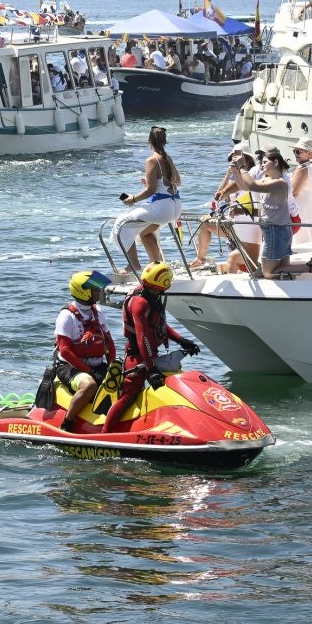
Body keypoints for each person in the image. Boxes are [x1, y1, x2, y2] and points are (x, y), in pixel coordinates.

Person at [101, 263, 201, 433]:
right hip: (138, 358)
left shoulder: (151, 295)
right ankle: (105, 434)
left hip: (150, 356)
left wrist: (182, 341)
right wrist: (151, 368)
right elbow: (143, 337)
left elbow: (158, 325)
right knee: (127, 397)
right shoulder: (140, 303)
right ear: (164, 282)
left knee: (174, 386)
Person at [53, 270, 117, 433]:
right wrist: (89, 371)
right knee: (89, 385)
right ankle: (67, 424)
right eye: (95, 289)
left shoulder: (98, 311)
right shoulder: (66, 316)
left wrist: (112, 367)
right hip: (69, 367)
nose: (99, 292)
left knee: (125, 381)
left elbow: (109, 343)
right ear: (84, 291)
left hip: (96, 366)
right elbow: (65, 351)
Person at [112, 127, 183, 273]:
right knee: (145, 233)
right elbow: (177, 182)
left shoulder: (152, 160)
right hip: (175, 207)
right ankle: (158, 268)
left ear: (149, 140)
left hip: (162, 209)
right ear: (165, 141)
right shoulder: (168, 158)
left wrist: (133, 199)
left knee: (121, 224)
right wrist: (153, 183)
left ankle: (134, 265)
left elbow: (150, 190)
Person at [234, 148, 294, 279]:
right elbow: (244, 187)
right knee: (282, 269)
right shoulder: (266, 180)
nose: (261, 164)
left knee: (268, 273)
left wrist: (242, 167)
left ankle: (309, 267)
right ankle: (295, 282)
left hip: (276, 231)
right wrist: (235, 168)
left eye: (265, 162)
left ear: (276, 162)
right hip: (275, 230)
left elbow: (253, 186)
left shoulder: (280, 183)